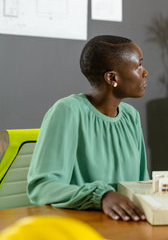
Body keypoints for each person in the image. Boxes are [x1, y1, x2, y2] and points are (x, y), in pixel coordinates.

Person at [27, 35, 150, 221]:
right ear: (112, 77)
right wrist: (101, 196)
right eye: (138, 65)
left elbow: (142, 183)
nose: (145, 72)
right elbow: (41, 187)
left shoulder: (130, 116)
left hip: (126, 225)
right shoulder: (67, 111)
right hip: (81, 226)